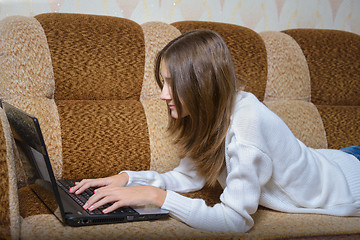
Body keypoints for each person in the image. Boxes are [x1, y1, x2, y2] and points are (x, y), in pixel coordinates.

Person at [70, 29, 360, 233]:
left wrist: (157, 198)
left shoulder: (247, 127)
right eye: (164, 83)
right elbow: (188, 176)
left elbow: (235, 220)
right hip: (338, 157)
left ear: (200, 85)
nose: (163, 94)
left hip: (350, 182)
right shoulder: (212, 115)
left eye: (172, 83)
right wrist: (127, 179)